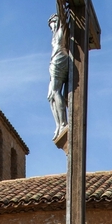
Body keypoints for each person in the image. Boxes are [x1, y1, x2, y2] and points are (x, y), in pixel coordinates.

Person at [48, 13, 70, 147]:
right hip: (55, 59)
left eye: (52, 23)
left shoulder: (62, 28)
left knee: (55, 91)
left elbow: (61, 7)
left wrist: (61, 16)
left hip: (60, 58)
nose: (52, 27)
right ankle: (58, 124)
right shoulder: (55, 33)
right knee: (50, 96)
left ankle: (63, 123)